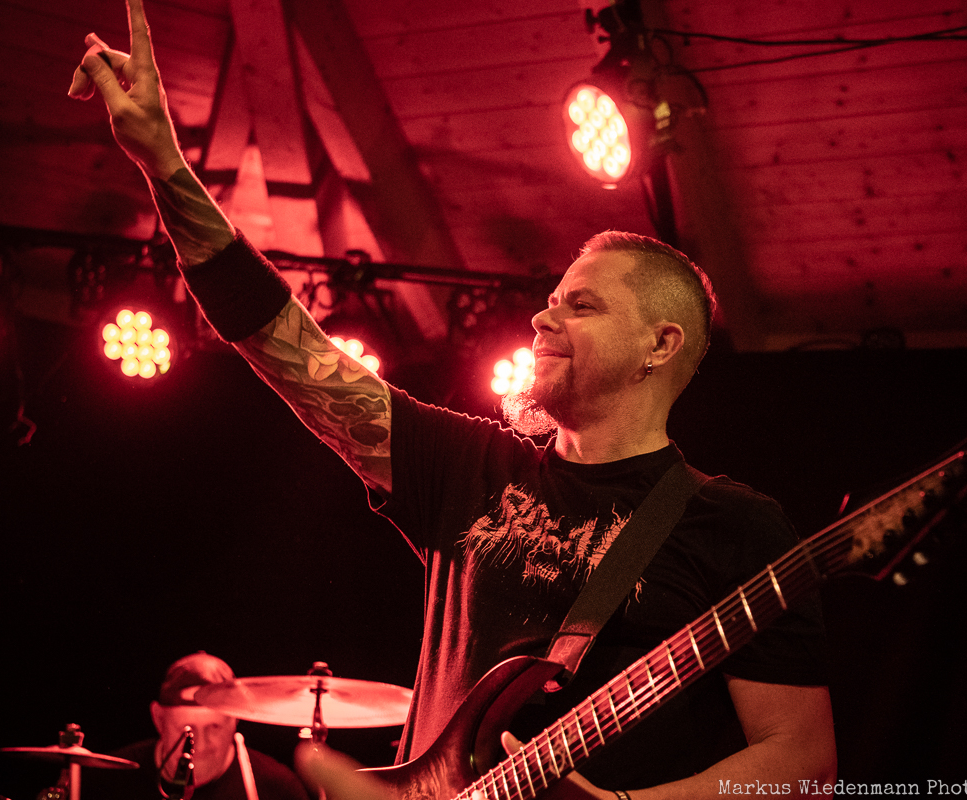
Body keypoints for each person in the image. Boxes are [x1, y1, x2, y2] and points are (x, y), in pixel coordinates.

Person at [68, 2, 837, 797]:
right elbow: (284, 344)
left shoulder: (734, 526)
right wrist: (166, 164)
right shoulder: (466, 466)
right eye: (550, 301)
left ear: (661, 344)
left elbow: (803, 763)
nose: (542, 318)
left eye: (581, 306)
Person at [83, 653, 308, 800]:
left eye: (214, 727)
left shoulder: (278, 788)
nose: (199, 744)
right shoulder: (108, 782)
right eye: (186, 729)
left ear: (235, 720)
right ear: (158, 718)